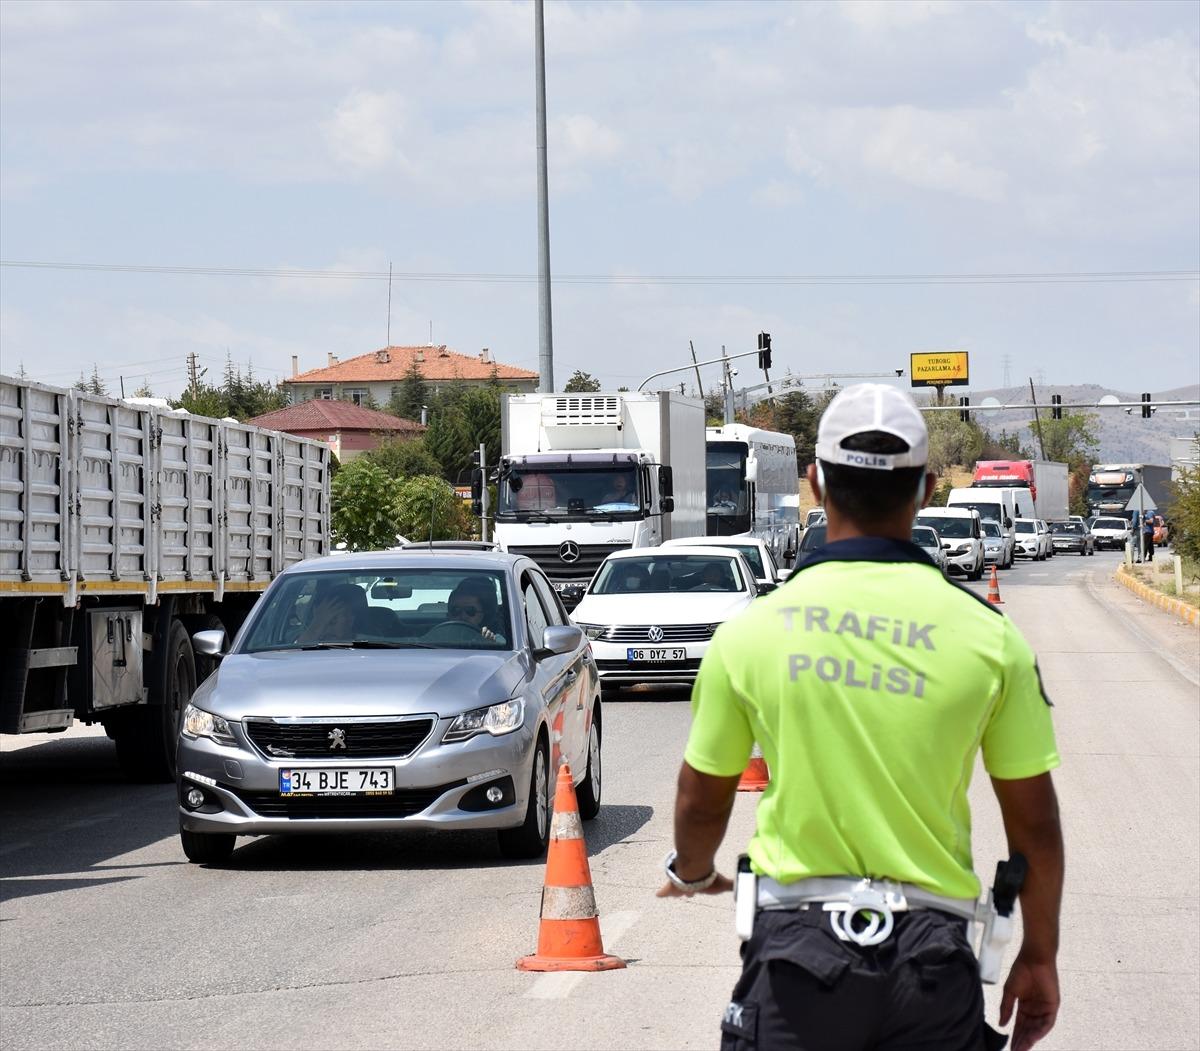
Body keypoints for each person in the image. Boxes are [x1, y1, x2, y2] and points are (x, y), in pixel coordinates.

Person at [656, 383, 1064, 1051]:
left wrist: (694, 868)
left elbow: (702, 797)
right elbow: (1036, 824)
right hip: (932, 969)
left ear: (814, 483)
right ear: (927, 489)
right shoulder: (991, 639)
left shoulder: (752, 632)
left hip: (795, 964)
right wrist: (1039, 954)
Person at [296, 583, 366, 644]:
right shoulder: (306, 641)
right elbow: (297, 653)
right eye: (320, 623)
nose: (325, 629)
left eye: (332, 622)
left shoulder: (371, 646)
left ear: (350, 620)